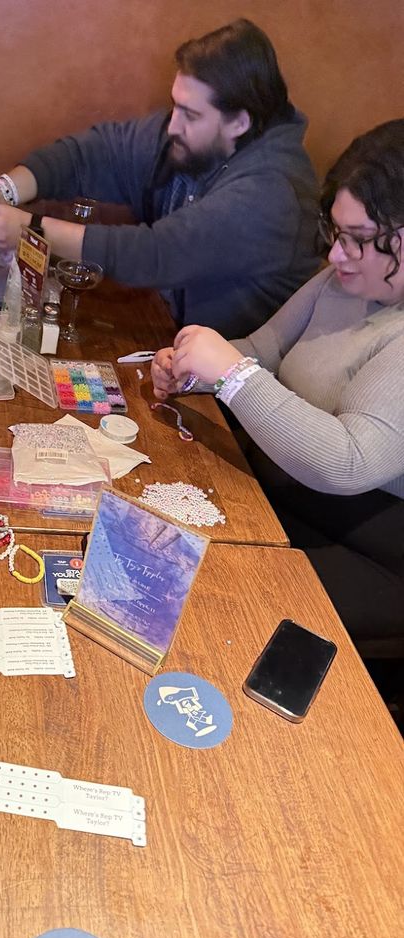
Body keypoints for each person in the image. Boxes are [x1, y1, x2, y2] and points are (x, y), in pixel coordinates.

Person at [150, 119, 404, 643]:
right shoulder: (343, 276)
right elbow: (264, 351)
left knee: (213, 605)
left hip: (373, 545)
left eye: (358, 240)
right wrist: (195, 369)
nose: (335, 256)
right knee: (156, 542)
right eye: (335, 232)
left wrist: (232, 375)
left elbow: (349, 462)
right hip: (282, 490)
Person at [0, 19, 319, 340]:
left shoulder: (272, 192)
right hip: (163, 336)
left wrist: (30, 228)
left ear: (239, 122)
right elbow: (95, 154)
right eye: (175, 105)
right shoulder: (193, 138)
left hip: (227, 390)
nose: (173, 125)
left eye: (191, 115)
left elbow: (156, 253)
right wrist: (4, 189)